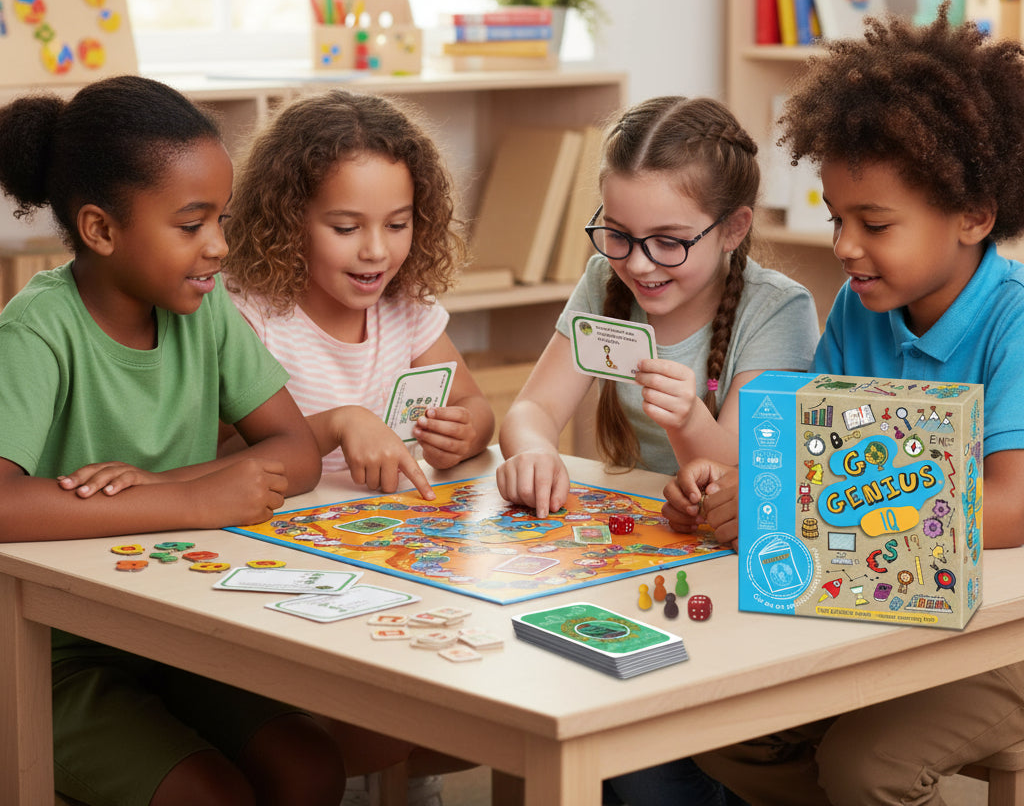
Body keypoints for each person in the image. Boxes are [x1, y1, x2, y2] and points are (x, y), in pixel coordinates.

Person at [693, 7, 1024, 806]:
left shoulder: (1012, 324)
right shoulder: (855, 308)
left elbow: (1014, 504)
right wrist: (759, 496)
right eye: (837, 217)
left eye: (873, 223)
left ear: (974, 216)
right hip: (885, 610)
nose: (844, 245)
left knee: (863, 767)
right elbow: (823, 458)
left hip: (1004, 635)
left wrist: (805, 507)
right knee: (725, 731)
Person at [0, 75, 345, 806]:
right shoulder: (37, 329)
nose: (219, 247)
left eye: (222, 219)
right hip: (49, 655)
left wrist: (173, 483)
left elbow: (295, 451)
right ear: (100, 230)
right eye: (192, 225)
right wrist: (196, 505)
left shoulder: (204, 312)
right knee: (209, 797)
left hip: (177, 629)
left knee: (312, 770)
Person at [496, 94, 819, 806]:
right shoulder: (603, 281)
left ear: (734, 227)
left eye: (668, 241)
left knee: (636, 765)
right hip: (640, 560)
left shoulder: (780, 308)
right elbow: (531, 408)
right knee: (545, 692)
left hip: (738, 567)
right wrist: (531, 452)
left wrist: (689, 422)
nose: (640, 264)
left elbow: (738, 463)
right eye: (618, 234)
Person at [221, 87, 494, 496]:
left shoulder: (406, 305)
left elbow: (476, 408)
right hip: (283, 533)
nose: (376, 252)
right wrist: (337, 423)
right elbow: (220, 458)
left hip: (383, 531)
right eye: (346, 228)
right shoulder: (249, 317)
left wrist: (463, 433)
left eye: (398, 225)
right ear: (287, 221)